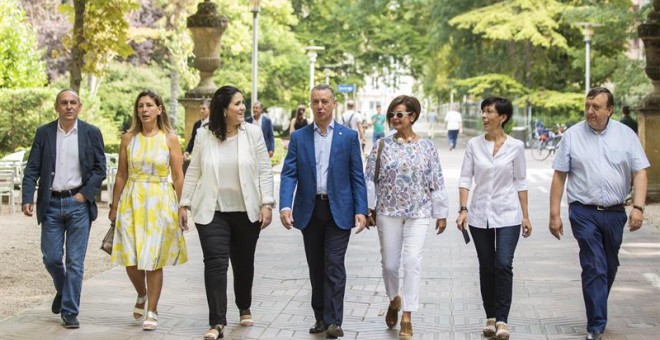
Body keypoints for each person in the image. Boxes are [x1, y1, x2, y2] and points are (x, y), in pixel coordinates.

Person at [549, 87, 649, 340]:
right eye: (587, 106)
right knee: (594, 264)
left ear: (610, 109)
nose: (590, 111)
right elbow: (560, 175)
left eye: (596, 107)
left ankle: (597, 305)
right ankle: (596, 325)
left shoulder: (626, 135)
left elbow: (640, 172)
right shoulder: (572, 136)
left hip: (615, 212)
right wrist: (554, 214)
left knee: (609, 265)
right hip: (583, 211)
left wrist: (638, 207)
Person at [179, 85, 275, 340]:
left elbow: (265, 171)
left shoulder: (253, 134)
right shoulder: (203, 135)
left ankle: (244, 305)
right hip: (213, 211)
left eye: (243, 103)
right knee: (215, 263)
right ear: (223, 109)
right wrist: (184, 203)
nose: (243, 107)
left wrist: (267, 203)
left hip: (246, 210)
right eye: (237, 103)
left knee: (243, 263)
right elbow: (194, 171)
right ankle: (217, 321)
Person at [279, 84, 368, 339]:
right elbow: (288, 173)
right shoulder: (299, 137)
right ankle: (320, 316)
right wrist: (286, 205)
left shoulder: (348, 137)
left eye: (325, 101)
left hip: (339, 209)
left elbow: (357, 176)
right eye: (315, 101)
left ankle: (334, 321)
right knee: (316, 267)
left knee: (334, 265)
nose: (320, 106)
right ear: (311, 104)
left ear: (334, 104)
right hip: (310, 209)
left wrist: (361, 209)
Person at [364, 95, 448, 338]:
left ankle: (408, 314)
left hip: (418, 212)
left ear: (412, 116)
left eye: (399, 114)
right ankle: (394, 300)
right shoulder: (382, 145)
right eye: (391, 114)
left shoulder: (427, 147)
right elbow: (369, 178)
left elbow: (437, 179)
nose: (394, 118)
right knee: (390, 265)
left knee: (412, 262)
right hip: (387, 212)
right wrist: (369, 209)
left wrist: (440, 212)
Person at [21, 89, 106, 329]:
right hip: (50, 204)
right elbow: (32, 168)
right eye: (64, 103)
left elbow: (100, 168)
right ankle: (63, 288)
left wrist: (84, 195)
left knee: (75, 262)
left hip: (78, 204)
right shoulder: (44, 133)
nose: (69, 106)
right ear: (56, 107)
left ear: (79, 107)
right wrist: (28, 196)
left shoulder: (91, 133)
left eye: (73, 103)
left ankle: (70, 311)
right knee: (51, 258)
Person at [108, 90, 188, 331]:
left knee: (153, 259)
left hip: (160, 201)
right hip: (132, 200)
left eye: (149, 105)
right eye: (140, 105)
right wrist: (114, 206)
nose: (144, 109)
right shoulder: (128, 138)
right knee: (130, 259)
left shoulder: (169, 138)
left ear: (159, 109)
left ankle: (152, 309)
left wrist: (182, 206)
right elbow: (121, 174)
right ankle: (141, 293)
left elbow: (178, 175)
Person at [456, 97, 532, 340]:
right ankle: (490, 317)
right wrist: (463, 208)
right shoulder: (474, 145)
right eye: (483, 112)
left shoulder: (516, 147)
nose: (484, 116)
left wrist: (526, 216)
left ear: (503, 117)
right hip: (479, 215)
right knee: (487, 266)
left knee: (503, 265)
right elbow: (465, 178)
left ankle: (503, 320)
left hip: (508, 214)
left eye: (489, 112)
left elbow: (520, 181)